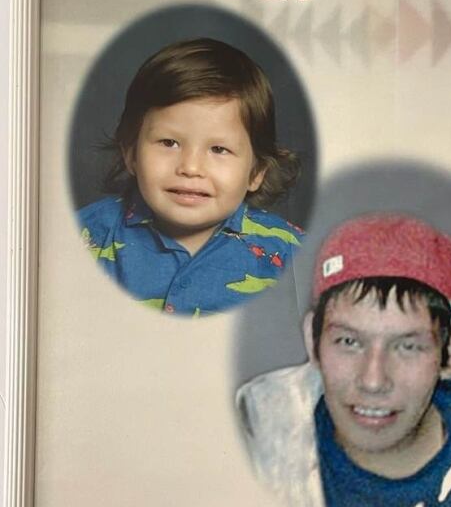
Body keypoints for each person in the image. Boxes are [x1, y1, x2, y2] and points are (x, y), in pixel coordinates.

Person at [237, 213, 451, 507]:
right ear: (312, 340)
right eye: (349, 342)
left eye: (408, 346)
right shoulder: (251, 463)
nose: (373, 380)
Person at [78, 37, 303, 315]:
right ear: (131, 154)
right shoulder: (84, 238)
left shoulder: (294, 254)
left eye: (219, 149)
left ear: (255, 173)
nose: (190, 167)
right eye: (169, 143)